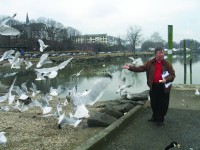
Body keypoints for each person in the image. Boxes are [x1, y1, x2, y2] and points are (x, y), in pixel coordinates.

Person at [123, 47, 175, 126]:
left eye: (163, 53)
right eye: (159, 53)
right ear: (155, 54)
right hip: (153, 86)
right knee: (154, 103)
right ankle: (154, 117)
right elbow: (140, 68)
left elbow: (172, 75)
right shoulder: (150, 63)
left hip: (164, 86)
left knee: (163, 104)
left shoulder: (167, 64)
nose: (161, 55)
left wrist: (167, 79)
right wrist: (130, 67)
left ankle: (160, 119)